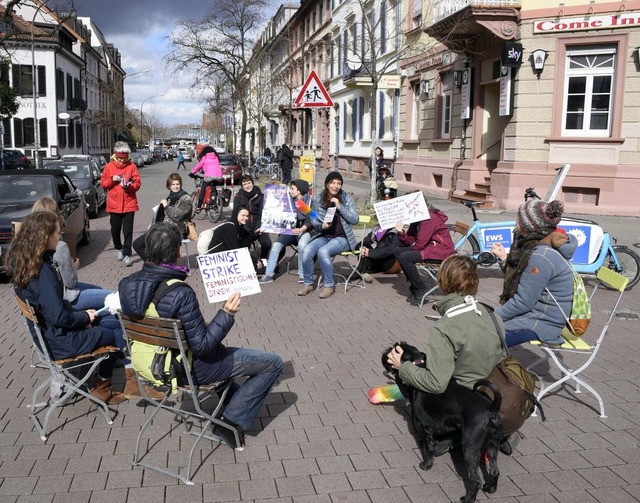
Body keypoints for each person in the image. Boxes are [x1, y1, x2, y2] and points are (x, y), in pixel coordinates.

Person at [119, 222, 283, 448]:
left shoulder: (127, 284)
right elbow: (203, 347)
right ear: (178, 251)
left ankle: (230, 399)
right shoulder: (179, 291)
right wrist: (226, 314)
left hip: (153, 365)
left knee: (223, 351)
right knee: (273, 364)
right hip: (189, 369)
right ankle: (230, 421)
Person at [386, 255, 508, 454]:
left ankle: (451, 435)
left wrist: (403, 367)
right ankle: (496, 434)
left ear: (443, 282)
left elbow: (436, 383)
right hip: (495, 387)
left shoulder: (444, 328)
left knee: (415, 372)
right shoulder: (490, 313)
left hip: (467, 399)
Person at [4, 212, 128, 404]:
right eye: (57, 232)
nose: (60, 235)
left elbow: (54, 310)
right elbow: (58, 316)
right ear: (45, 236)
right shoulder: (42, 272)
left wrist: (81, 317)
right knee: (116, 329)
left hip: (50, 336)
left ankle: (103, 381)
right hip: (61, 342)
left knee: (112, 320)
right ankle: (104, 384)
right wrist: (84, 318)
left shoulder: (25, 263)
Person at [491, 199, 577, 347]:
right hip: (535, 315)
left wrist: (491, 318)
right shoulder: (538, 243)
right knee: (479, 332)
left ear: (526, 225)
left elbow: (523, 302)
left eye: (518, 217)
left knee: (481, 337)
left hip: (542, 323)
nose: (515, 221)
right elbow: (524, 279)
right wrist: (504, 258)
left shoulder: (541, 256)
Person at [31, 197, 114, 311]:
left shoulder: (31, 244)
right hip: (67, 299)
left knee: (99, 290)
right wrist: (74, 267)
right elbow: (70, 283)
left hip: (48, 298)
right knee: (112, 297)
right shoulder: (59, 246)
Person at [298, 172, 359, 299]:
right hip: (324, 235)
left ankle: (329, 285)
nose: (336, 186)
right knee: (307, 250)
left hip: (342, 238)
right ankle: (308, 283)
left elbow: (355, 219)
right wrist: (321, 226)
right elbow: (314, 218)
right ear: (327, 184)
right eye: (333, 183)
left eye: (339, 183)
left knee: (323, 252)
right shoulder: (320, 199)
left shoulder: (346, 198)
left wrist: (339, 206)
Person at [394, 203, 456, 306]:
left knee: (405, 257)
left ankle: (419, 288)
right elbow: (411, 240)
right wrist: (401, 233)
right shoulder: (417, 217)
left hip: (441, 250)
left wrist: (409, 247)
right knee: (398, 251)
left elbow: (419, 245)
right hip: (429, 247)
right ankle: (414, 285)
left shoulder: (430, 217)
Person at [259, 179, 314, 284]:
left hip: (305, 231)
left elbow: (312, 219)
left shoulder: (309, 202)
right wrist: (280, 190)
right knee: (276, 245)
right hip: (291, 231)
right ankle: (268, 274)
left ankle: (302, 274)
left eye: (293, 188)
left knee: (302, 245)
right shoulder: (290, 199)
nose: (291, 190)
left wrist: (301, 229)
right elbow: (274, 204)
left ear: (300, 191)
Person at [133, 172, 194, 262]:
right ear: (169, 186)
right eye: (173, 184)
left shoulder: (186, 198)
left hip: (176, 230)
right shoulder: (169, 198)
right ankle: (152, 263)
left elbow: (178, 216)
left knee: (162, 247)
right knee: (137, 244)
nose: (176, 186)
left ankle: (160, 266)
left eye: (178, 184)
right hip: (162, 228)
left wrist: (166, 206)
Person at [100, 141, 141, 267]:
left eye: (124, 158)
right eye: (119, 158)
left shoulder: (132, 167)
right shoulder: (109, 167)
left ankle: (127, 254)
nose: (122, 161)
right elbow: (103, 183)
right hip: (114, 204)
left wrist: (128, 186)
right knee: (115, 229)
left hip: (129, 203)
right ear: (115, 156)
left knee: (128, 231)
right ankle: (118, 248)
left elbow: (137, 183)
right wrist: (112, 179)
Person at [231, 174, 272, 261]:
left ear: (253, 183)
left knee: (266, 243)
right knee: (244, 246)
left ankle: (263, 260)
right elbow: (236, 215)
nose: (247, 186)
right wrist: (245, 229)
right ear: (242, 186)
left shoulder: (261, 196)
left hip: (259, 225)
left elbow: (263, 214)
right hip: (245, 226)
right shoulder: (238, 197)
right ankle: (247, 263)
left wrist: (258, 228)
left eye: (249, 183)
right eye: (244, 184)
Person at [189, 145, 223, 212]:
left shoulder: (204, 158)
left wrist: (191, 173)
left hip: (209, 176)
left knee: (203, 190)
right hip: (219, 177)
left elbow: (197, 167)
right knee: (213, 188)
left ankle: (198, 207)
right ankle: (214, 204)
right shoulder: (216, 157)